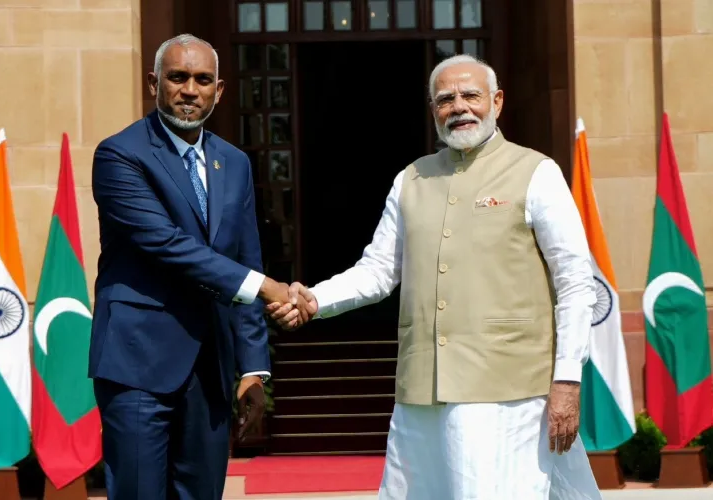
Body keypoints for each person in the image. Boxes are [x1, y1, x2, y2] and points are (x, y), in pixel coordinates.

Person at [267, 54, 603, 499]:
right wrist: (314, 299)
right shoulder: (412, 179)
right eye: (446, 99)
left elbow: (576, 282)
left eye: (471, 95)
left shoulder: (536, 172)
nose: (459, 106)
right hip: (420, 392)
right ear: (433, 110)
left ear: (497, 102)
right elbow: (379, 270)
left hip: (508, 392)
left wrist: (567, 379)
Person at [89, 34, 310, 500]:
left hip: (209, 367)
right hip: (137, 365)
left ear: (219, 90)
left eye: (202, 80)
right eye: (178, 77)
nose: (190, 90)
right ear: (154, 83)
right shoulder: (120, 155)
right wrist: (269, 288)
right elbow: (166, 245)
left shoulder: (233, 162)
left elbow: (244, 258)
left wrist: (253, 367)